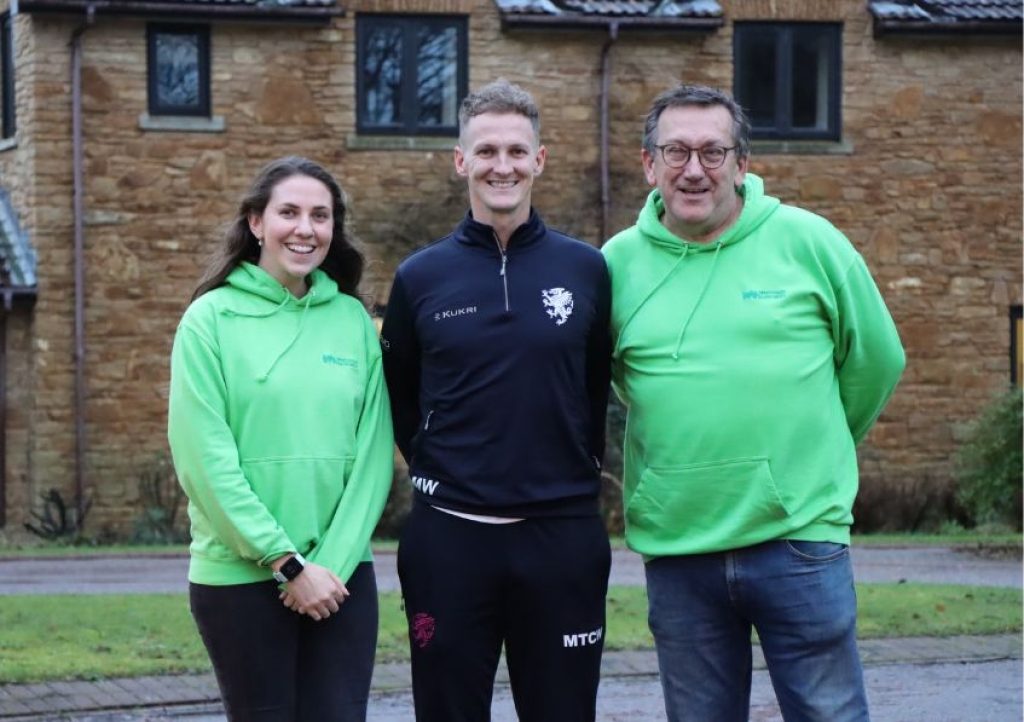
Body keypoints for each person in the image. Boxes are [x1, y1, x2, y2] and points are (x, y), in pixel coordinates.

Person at [602, 85, 906, 722]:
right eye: (676, 151)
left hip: (799, 540)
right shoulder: (614, 266)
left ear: (743, 164)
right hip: (679, 547)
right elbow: (610, 382)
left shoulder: (809, 242)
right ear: (647, 164)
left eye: (714, 152)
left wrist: (812, 445)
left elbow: (877, 361)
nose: (694, 169)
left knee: (830, 715)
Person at [380, 79, 613, 722]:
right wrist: (438, 463)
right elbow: (400, 390)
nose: (501, 165)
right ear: (461, 161)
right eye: (486, 151)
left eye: (516, 151)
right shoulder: (420, 277)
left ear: (540, 159)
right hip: (449, 542)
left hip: (562, 538)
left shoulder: (585, 269)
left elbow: (593, 385)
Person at [167, 156, 394, 721]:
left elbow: (371, 458)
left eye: (321, 216)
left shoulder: (351, 320)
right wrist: (288, 565)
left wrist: (330, 567)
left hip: (341, 580)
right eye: (288, 212)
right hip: (240, 581)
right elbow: (205, 463)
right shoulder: (209, 321)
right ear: (255, 223)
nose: (306, 228)